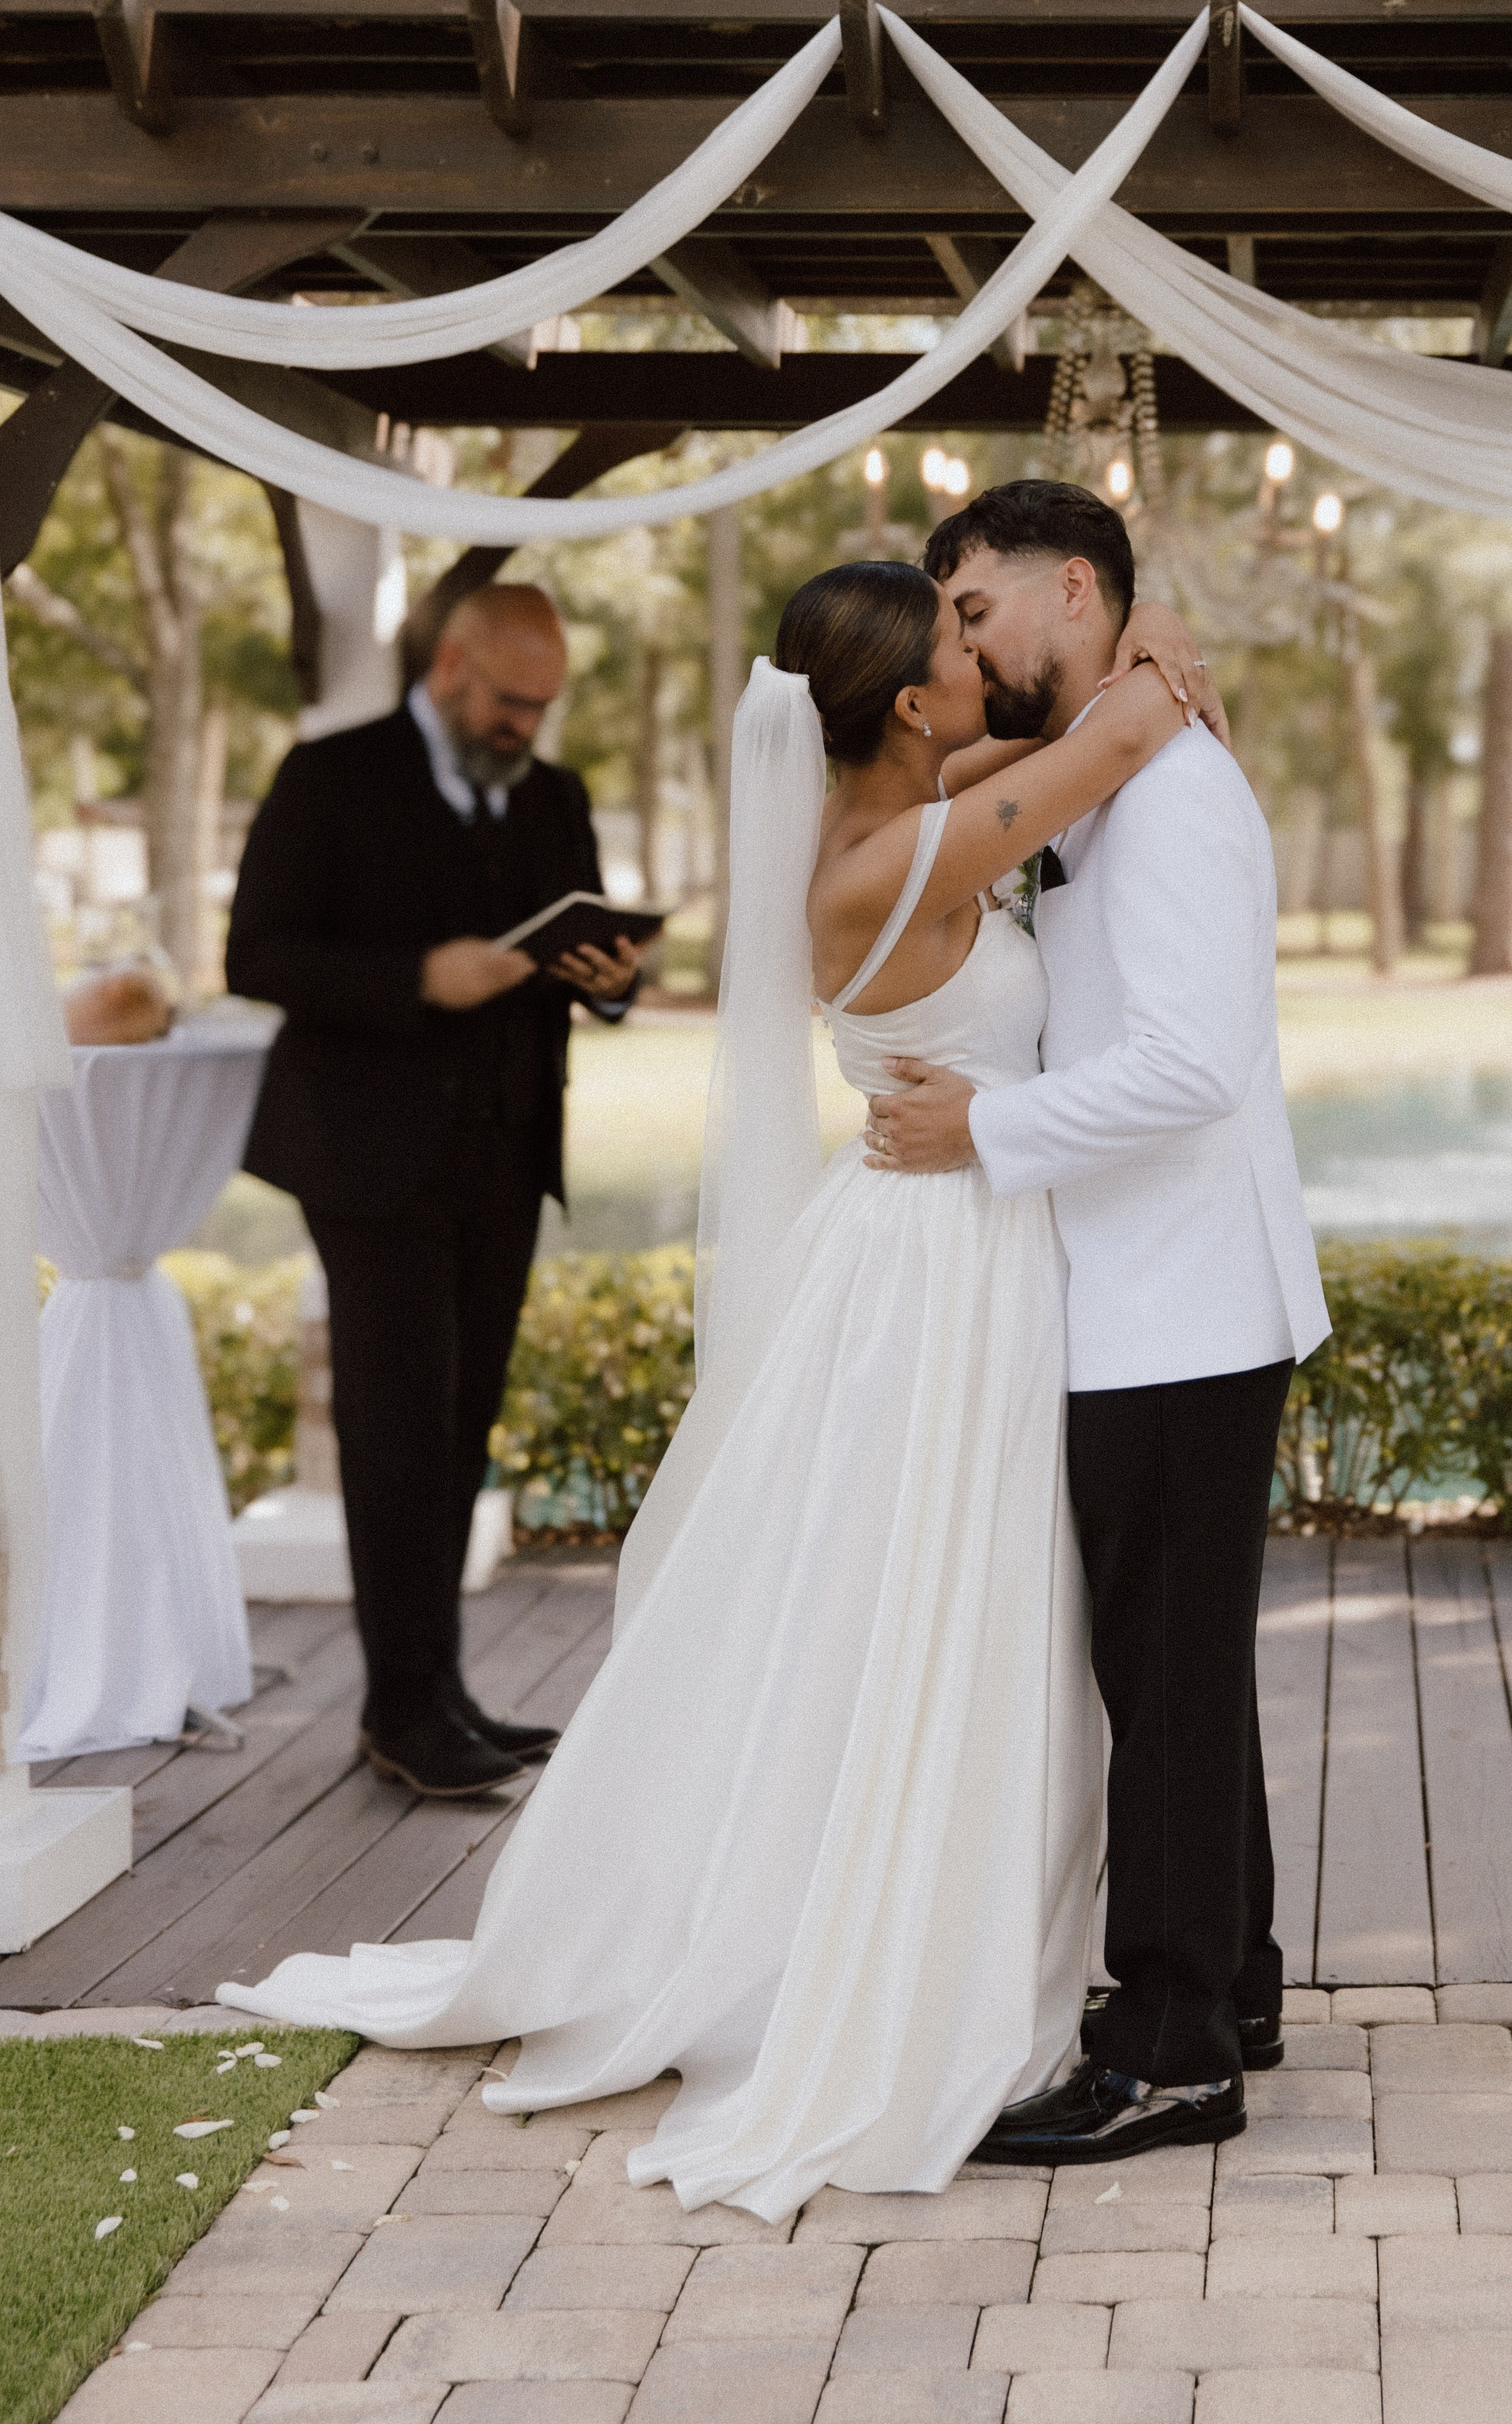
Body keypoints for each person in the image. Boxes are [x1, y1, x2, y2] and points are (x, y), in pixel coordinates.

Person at [219, 562, 1216, 2222]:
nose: (979, 658)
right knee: (930, 1596)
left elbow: (1036, 763)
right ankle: (892, 1942)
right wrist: (1151, 645)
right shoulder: (895, 857)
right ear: (910, 702)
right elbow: (1109, 748)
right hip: (940, 1266)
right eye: (959, 641)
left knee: (902, 1597)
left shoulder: (898, 813)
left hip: (933, 1237)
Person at [867, 479, 1330, 2170]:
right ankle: (1240, 1985)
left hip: (1181, 1310)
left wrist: (977, 1133)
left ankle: (1169, 2046)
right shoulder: (1107, 772)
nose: (971, 649)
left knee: (1166, 1680)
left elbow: (1192, 1064)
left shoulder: (1178, 797)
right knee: (1176, 1676)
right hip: (1139, 1301)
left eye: (979, 612)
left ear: (1077, 588)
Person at [225, 584, 645, 1800]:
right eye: (511, 702)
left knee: (461, 1425)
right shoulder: (330, 775)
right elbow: (258, 953)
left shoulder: (554, 796)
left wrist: (611, 979)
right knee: (396, 1432)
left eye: (543, 707)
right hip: (367, 1160)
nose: (526, 725)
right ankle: (402, 1710)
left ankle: (440, 1689)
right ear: (452, 667)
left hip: (507, 1156)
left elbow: (583, 963)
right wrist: (420, 979)